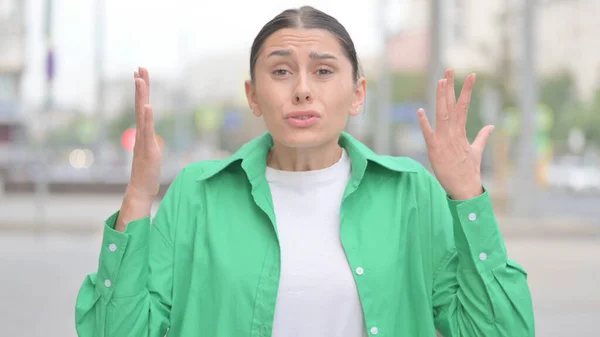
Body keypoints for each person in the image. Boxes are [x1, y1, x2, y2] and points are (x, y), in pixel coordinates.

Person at [75, 6, 534, 337]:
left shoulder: (410, 193)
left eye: (323, 71)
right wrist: (137, 197)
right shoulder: (198, 195)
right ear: (253, 96)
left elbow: (500, 331)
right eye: (280, 72)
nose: (301, 90)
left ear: (357, 93)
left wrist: (466, 196)